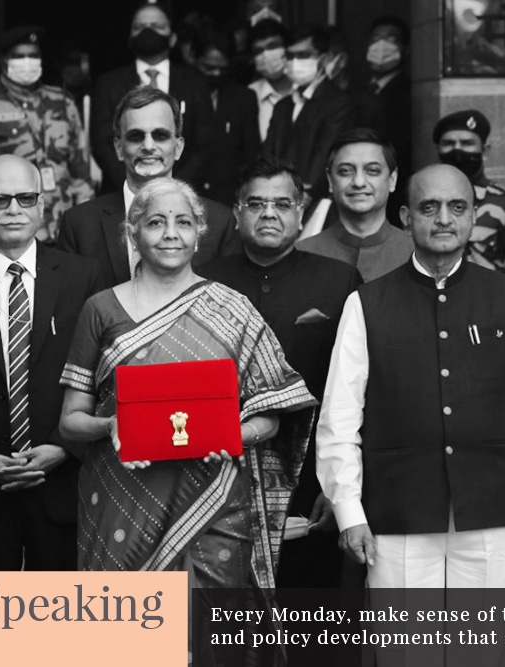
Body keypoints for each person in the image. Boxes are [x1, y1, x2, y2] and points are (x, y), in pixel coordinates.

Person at [58, 176, 315, 589]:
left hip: (216, 506)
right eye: (156, 222)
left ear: (199, 234)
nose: (171, 234)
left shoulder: (234, 309)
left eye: (183, 222)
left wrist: (227, 432)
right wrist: (111, 426)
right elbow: (70, 419)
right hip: (121, 500)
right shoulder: (100, 309)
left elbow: (273, 417)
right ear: (133, 234)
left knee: (209, 643)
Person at [318, 163, 505, 587]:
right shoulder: (367, 303)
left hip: (492, 508)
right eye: (429, 207)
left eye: (457, 207)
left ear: (472, 216)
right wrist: (349, 512)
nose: (444, 219)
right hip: (397, 510)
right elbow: (339, 418)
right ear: (407, 218)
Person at [201, 156, 360, 588]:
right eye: (256, 203)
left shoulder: (340, 280)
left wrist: (340, 488)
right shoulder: (204, 282)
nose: (269, 213)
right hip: (221, 472)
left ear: (300, 213)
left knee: (313, 620)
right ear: (237, 213)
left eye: (282, 204)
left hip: (312, 478)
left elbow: (357, 389)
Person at [0, 156, 101, 570]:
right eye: (0, 199)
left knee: (67, 622)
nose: (14, 209)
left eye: (25, 198)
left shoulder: (85, 278)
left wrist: (64, 447)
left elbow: (107, 377)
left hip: (66, 486)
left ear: (42, 204)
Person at [57, 86, 238, 287]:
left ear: (178, 147)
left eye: (160, 135)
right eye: (136, 136)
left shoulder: (220, 222)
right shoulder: (79, 225)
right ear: (118, 148)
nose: (149, 146)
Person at [0, 26, 94, 250]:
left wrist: (84, 233)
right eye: (19, 56)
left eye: (33, 56)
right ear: (4, 61)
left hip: (65, 232)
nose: (27, 62)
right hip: (11, 232)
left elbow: (81, 173)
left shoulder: (63, 102)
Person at [88, 3, 215, 194]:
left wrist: (171, 187)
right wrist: (135, 185)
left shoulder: (195, 82)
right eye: (140, 27)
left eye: (157, 26)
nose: (148, 32)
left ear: (172, 38)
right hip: (122, 195)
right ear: (130, 37)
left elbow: (203, 145)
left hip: (182, 194)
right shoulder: (108, 83)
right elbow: (102, 144)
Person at [434, 109, 505, 277]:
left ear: (485, 151)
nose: (457, 151)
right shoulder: (425, 204)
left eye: (467, 143)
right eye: (448, 143)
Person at [297, 129, 413, 282]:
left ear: (392, 179)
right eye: (346, 171)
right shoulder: (301, 254)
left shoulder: (417, 254)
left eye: (372, 171)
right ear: (330, 181)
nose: (359, 182)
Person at [262, 26, 358, 203]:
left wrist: (307, 194)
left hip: (317, 201)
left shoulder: (339, 103)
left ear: (323, 58)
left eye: (304, 55)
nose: (295, 62)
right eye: (290, 56)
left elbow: (328, 153)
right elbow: (268, 153)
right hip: (277, 199)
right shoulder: (283, 106)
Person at [192, 28, 261, 205]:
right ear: (194, 58)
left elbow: (250, 155)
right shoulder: (178, 93)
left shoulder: (243, 98)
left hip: (228, 200)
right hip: (185, 195)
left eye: (222, 69)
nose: (216, 74)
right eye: (208, 67)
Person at [355, 16, 412, 221]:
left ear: (405, 49)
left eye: (391, 39)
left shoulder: (409, 92)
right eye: (376, 39)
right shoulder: (360, 91)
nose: (381, 45)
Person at [246, 19, 291, 143]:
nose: (266, 54)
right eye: (258, 51)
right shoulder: (249, 95)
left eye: (273, 46)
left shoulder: (306, 90)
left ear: (287, 48)